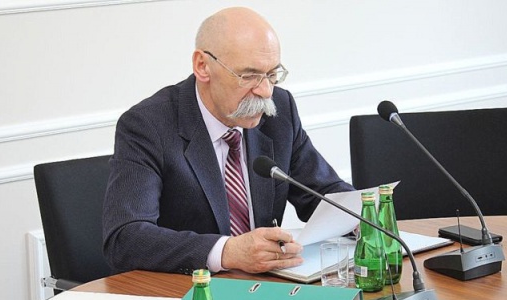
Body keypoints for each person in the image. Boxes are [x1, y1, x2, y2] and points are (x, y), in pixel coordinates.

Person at [103, 7, 354, 276]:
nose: (265, 91)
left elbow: (324, 194)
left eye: (272, 75)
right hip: (188, 290)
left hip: (269, 285)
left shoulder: (280, 110)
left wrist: (363, 219)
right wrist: (228, 252)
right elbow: (125, 238)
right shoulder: (148, 125)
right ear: (203, 66)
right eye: (249, 76)